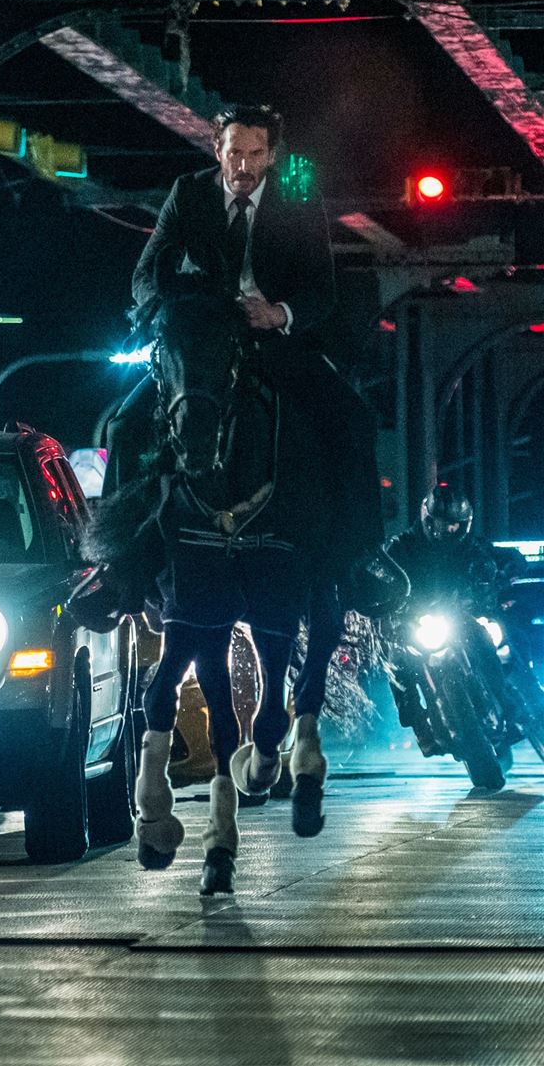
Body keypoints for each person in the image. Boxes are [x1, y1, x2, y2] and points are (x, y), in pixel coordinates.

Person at [105, 104, 407, 606]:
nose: (243, 165)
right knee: (123, 426)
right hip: (206, 336)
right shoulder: (188, 192)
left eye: (255, 154)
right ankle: (118, 568)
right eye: (234, 153)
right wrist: (172, 305)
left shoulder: (298, 200)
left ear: (271, 155)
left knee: (353, 418)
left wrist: (279, 313)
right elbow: (143, 275)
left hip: (274, 339)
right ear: (217, 149)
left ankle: (361, 556)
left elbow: (322, 290)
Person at [385, 482, 516, 751]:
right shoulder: (402, 547)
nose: (449, 529)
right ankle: (420, 727)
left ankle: (505, 701)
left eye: (455, 525)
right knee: (396, 661)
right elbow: (382, 572)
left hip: (456, 616)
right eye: (443, 523)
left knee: (484, 637)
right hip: (413, 620)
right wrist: (381, 591)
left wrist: (505, 569)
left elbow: (494, 558)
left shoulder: (470, 547)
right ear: (428, 519)